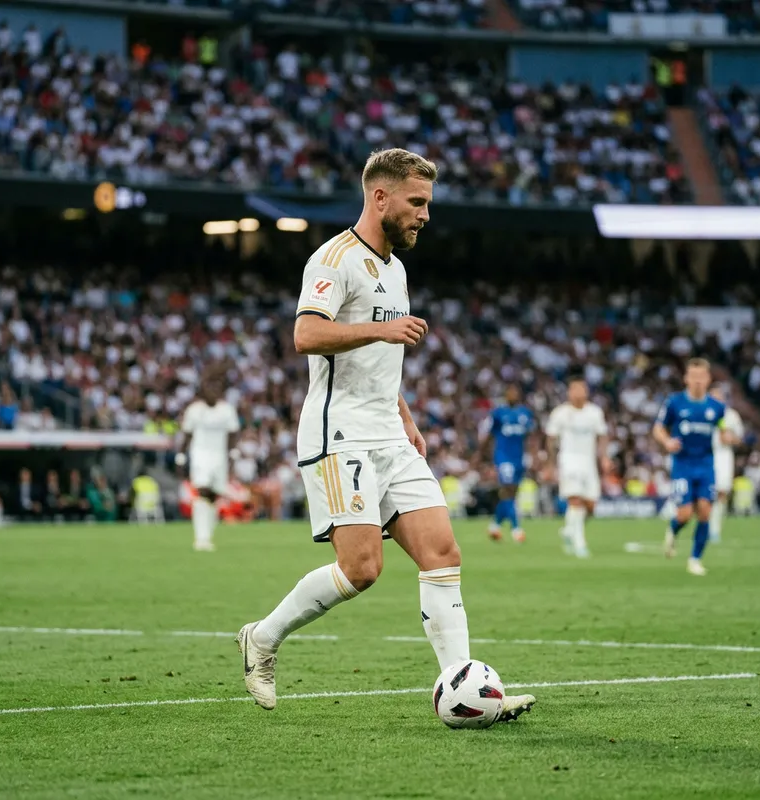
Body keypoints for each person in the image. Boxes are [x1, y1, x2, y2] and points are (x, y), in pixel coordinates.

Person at [235, 148, 536, 721]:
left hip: (388, 433)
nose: (425, 215)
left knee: (442, 553)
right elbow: (306, 335)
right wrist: (383, 328)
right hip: (339, 432)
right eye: (417, 202)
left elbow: (375, 356)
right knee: (362, 569)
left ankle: (467, 693)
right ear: (381, 197)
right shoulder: (334, 259)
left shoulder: (396, 269)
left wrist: (404, 413)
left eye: (427, 203)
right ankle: (263, 637)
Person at [653, 358, 727, 576]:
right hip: (682, 465)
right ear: (686, 378)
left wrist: (727, 435)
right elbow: (658, 428)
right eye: (693, 377)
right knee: (684, 514)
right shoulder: (674, 403)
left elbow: (722, 428)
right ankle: (673, 530)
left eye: (701, 377)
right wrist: (667, 441)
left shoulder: (717, 407)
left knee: (705, 511)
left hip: (706, 465)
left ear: (708, 379)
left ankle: (695, 559)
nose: (697, 381)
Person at [545, 377, 610, 558]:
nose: (578, 394)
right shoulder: (560, 413)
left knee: (590, 506)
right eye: (574, 390)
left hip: (588, 462)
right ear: (569, 393)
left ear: (586, 392)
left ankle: (568, 530)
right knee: (575, 500)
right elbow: (550, 438)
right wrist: (550, 464)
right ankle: (580, 543)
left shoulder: (594, 413)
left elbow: (602, 435)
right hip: (569, 460)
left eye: (581, 390)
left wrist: (604, 457)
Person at [177, 377, 240, 551]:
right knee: (202, 491)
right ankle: (200, 537)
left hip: (219, 456)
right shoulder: (194, 410)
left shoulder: (227, 410)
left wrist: (233, 454)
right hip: (200, 455)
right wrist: (181, 456)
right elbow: (187, 435)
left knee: (214, 495)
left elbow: (233, 434)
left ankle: (208, 535)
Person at [481, 383, 533, 543]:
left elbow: (530, 435)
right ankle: (516, 529)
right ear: (506, 395)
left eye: (515, 392)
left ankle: (495, 525)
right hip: (503, 457)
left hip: (519, 457)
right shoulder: (498, 413)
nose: (513, 395)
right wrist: (484, 455)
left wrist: (533, 454)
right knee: (507, 490)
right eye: (510, 392)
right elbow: (489, 435)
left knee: (512, 494)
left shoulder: (525, 413)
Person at [708, 386, 743, 543]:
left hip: (724, 456)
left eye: (719, 396)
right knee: (706, 492)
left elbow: (740, 439)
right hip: (707, 454)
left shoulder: (732, 416)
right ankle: (705, 525)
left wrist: (731, 439)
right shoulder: (704, 412)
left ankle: (715, 529)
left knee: (722, 492)